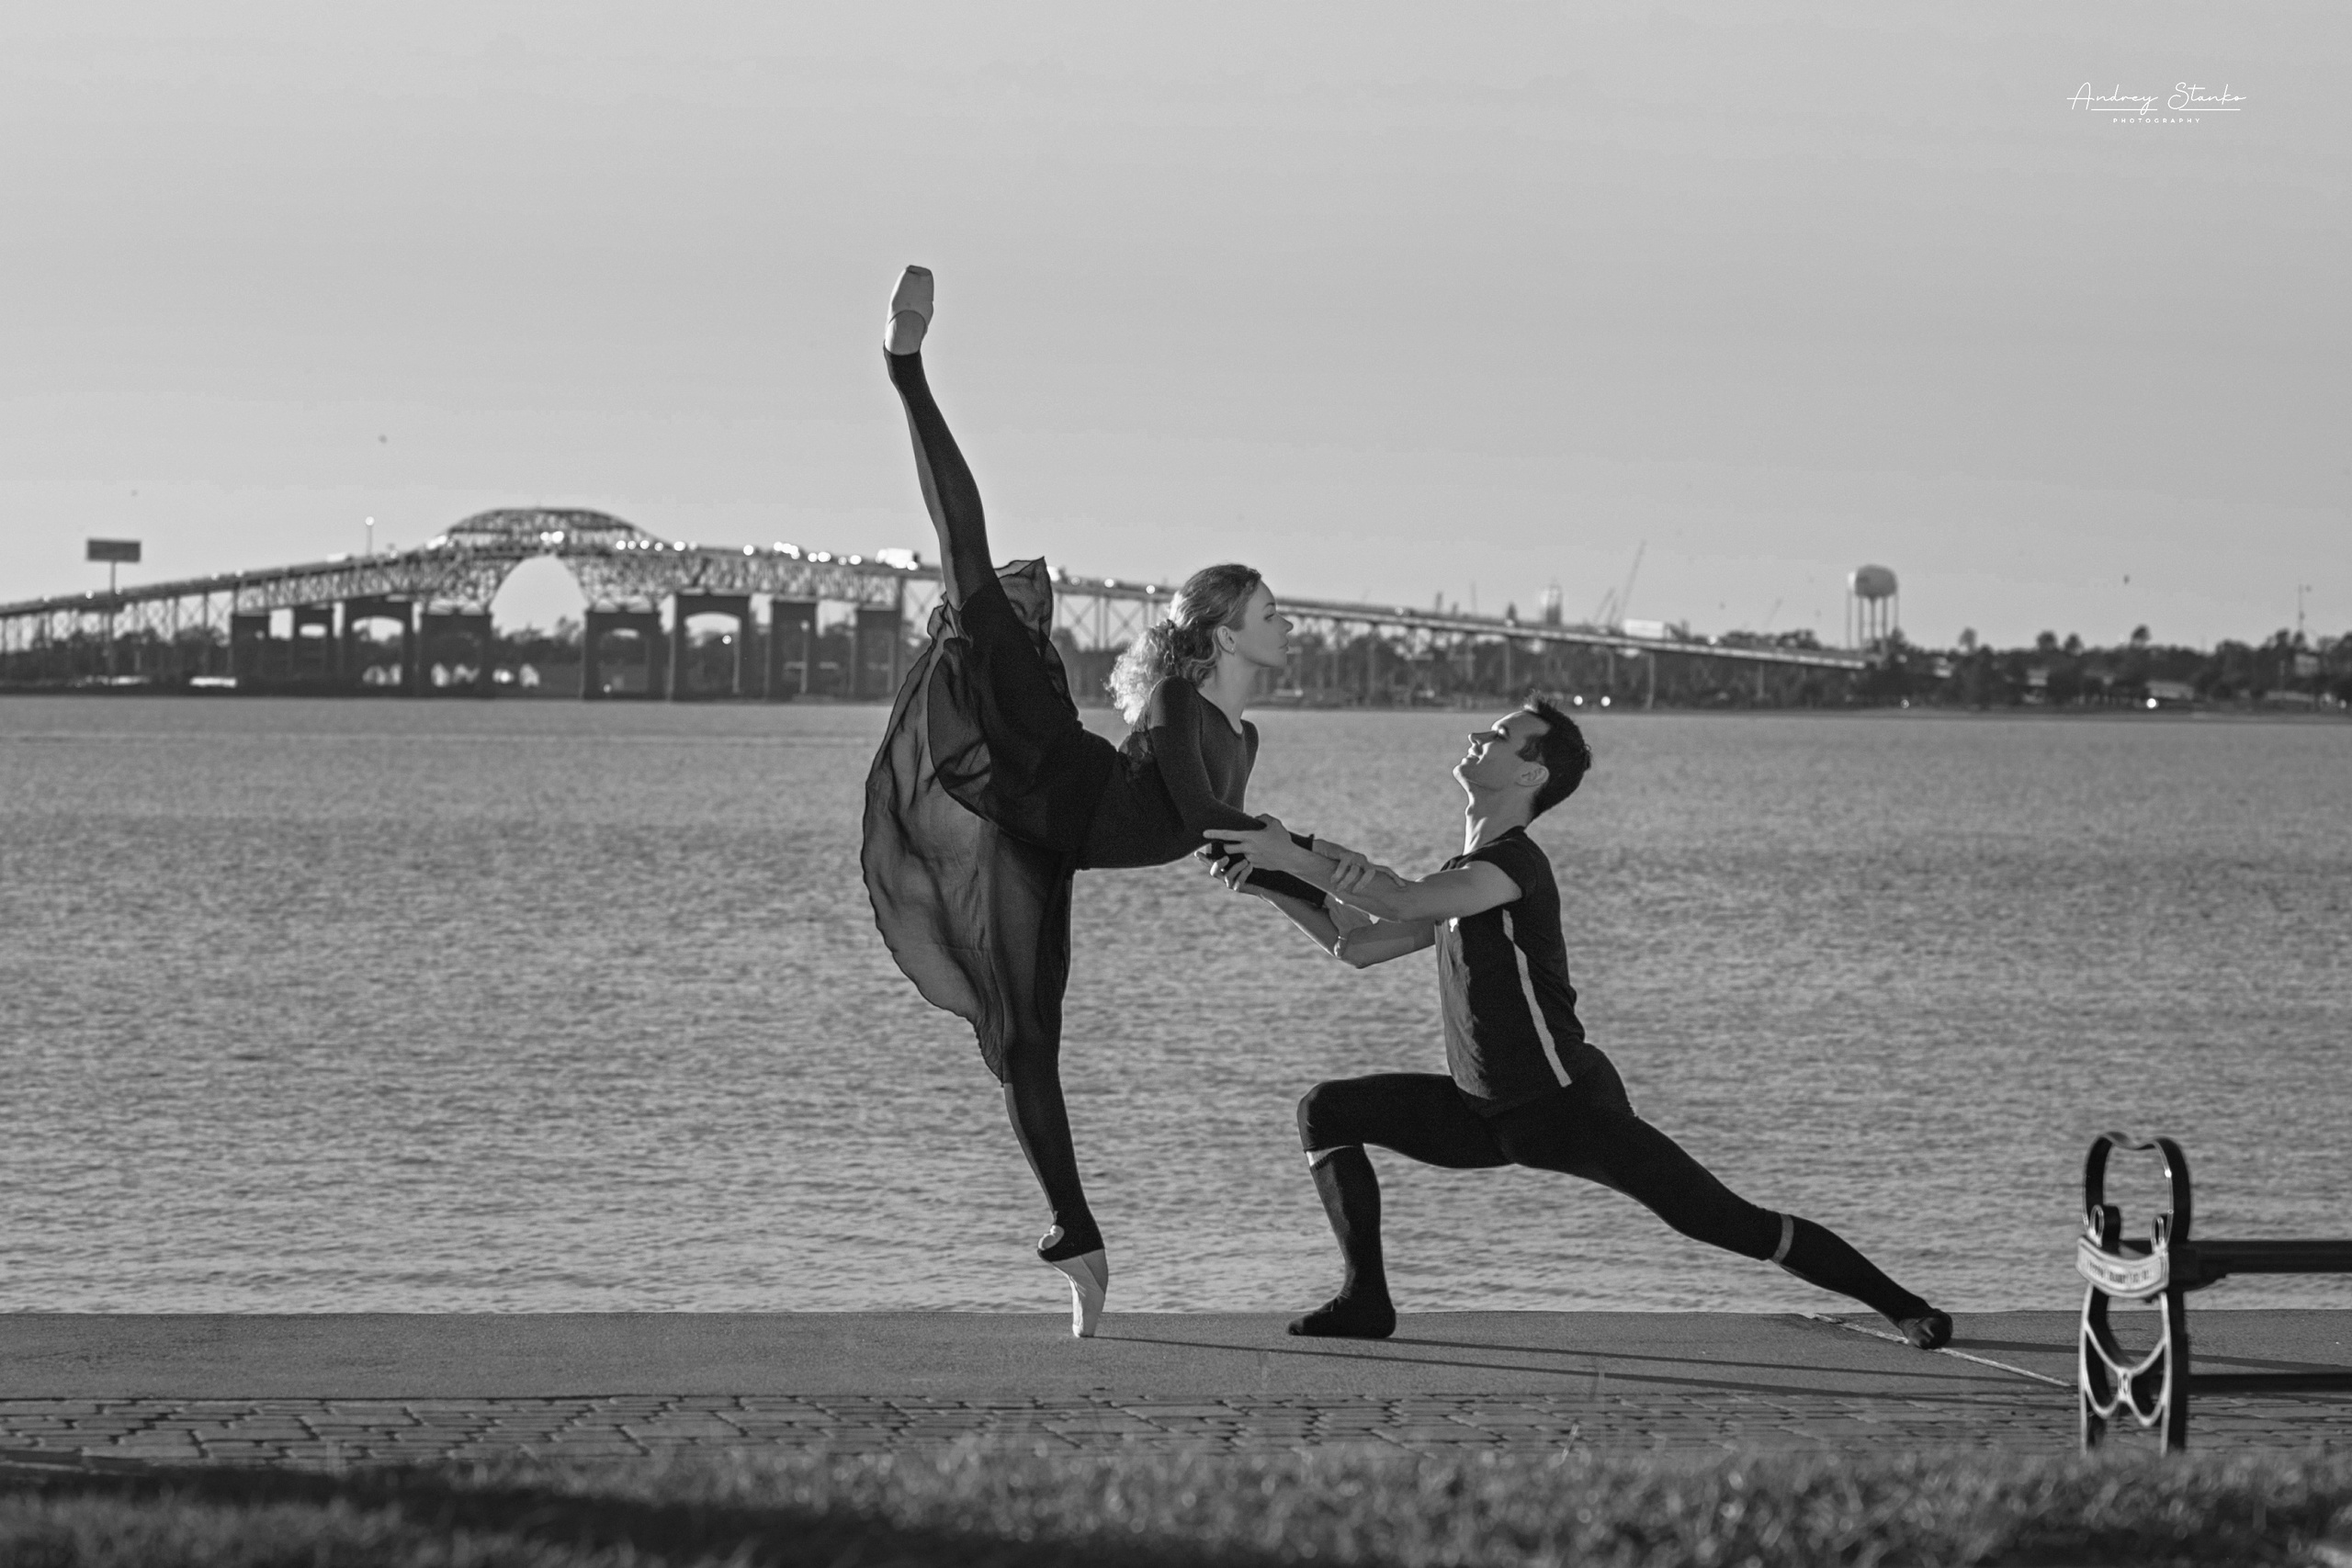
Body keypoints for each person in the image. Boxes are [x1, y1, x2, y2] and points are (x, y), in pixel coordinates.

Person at [863, 265, 1366, 1337]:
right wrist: (1327, 865)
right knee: (972, 575)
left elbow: (1223, 847)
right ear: (1225, 630)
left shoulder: (1246, 734)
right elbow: (1197, 819)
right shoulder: (1183, 708)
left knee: (1028, 1042)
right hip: (1049, 773)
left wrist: (1340, 923)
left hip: (1057, 844)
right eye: (1273, 610)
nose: (1289, 625)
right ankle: (905, 367)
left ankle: (1074, 1241)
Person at [1204, 699, 1952, 1348]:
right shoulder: (1458, 879)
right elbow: (1357, 941)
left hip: (1568, 1109)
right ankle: (1366, 1299)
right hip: (1484, 1112)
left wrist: (1292, 852)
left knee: (1733, 1224)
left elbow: (1398, 901)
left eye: (1500, 736)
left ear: (1531, 775)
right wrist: (1271, 881)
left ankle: (1905, 1306)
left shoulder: (1512, 865)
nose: (1479, 738)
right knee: (1327, 1111)